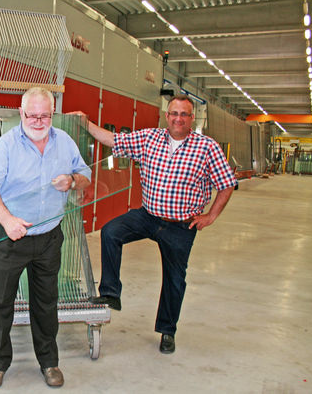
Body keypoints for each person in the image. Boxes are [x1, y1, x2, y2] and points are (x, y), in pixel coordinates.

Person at [71, 95, 237, 354]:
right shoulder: (150, 138)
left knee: (174, 280)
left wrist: (210, 216)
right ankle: (111, 292)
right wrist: (86, 123)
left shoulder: (207, 147)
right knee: (111, 231)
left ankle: (167, 331)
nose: (178, 118)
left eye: (184, 114)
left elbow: (226, 184)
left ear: (192, 118)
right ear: (167, 116)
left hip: (181, 226)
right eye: (174, 113)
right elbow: (115, 140)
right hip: (148, 216)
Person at [0, 87, 91, 388]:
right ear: (21, 113)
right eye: (32, 115)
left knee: (45, 302)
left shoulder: (64, 143)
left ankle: (49, 362)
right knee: (1, 302)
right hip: (9, 236)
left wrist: (72, 181)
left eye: (45, 116)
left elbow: (85, 175)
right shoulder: (5, 146)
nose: (39, 121)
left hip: (49, 238)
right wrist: (7, 220)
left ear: (52, 113)